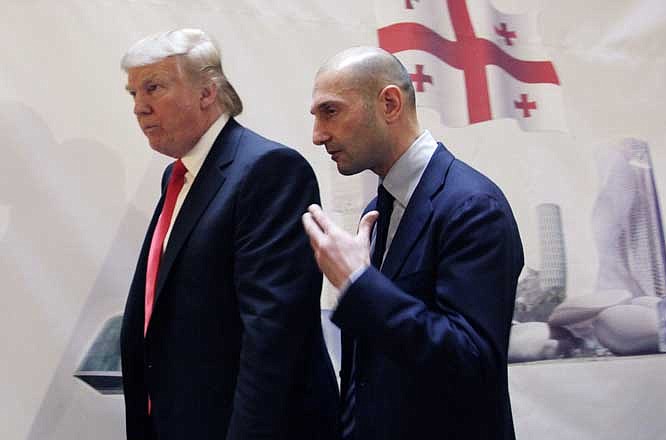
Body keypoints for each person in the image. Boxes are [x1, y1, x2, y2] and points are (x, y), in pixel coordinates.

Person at [119, 29, 338, 440]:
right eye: (133, 94)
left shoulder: (269, 170)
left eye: (153, 88)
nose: (140, 108)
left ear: (207, 92)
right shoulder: (177, 175)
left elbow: (271, 335)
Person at [302, 46, 524, 440]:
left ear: (389, 103)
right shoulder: (379, 208)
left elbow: (472, 363)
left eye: (331, 111)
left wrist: (359, 284)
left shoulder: (473, 207)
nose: (318, 135)